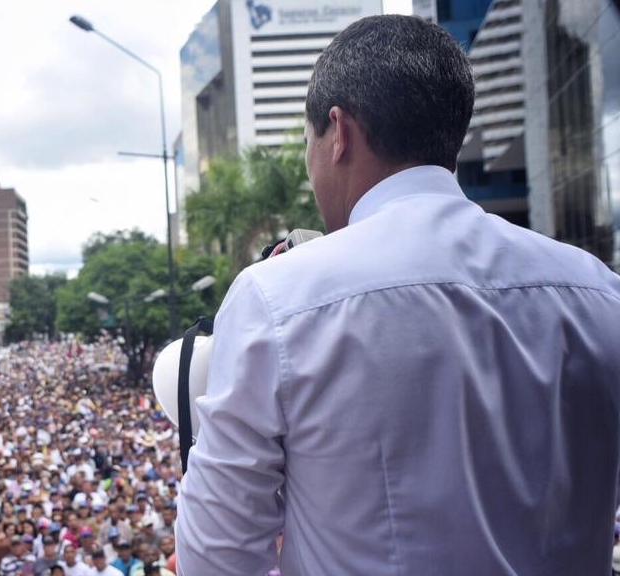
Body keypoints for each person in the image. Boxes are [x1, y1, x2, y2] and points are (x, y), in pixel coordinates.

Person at [176, 13, 620, 576]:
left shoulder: (279, 298)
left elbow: (217, 560)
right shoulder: (599, 290)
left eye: (310, 142)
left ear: (339, 133)